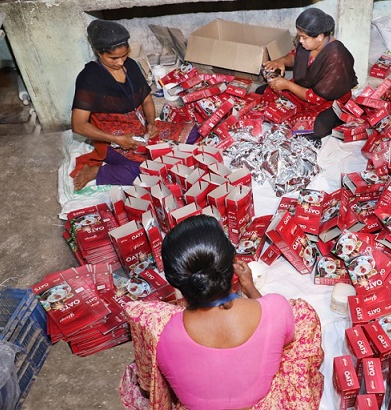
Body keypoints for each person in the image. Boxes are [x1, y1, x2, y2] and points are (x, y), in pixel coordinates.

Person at [155, 215, 295, 408]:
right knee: (303, 314)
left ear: (176, 282)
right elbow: (285, 339)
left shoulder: (165, 335)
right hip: (257, 398)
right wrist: (251, 289)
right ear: (232, 264)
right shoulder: (276, 308)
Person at [70, 20, 159, 191]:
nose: (120, 62)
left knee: (187, 141)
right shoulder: (89, 77)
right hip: (111, 139)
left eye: (124, 55)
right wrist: (117, 139)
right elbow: (78, 125)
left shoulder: (131, 65)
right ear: (98, 53)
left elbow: (147, 100)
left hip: (140, 128)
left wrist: (151, 123)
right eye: (113, 58)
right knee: (144, 172)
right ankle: (97, 171)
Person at [260, 8, 358, 144]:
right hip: (303, 87)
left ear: (319, 36)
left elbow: (317, 98)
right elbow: (295, 56)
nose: (300, 41)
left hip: (327, 99)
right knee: (262, 91)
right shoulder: (309, 44)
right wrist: (281, 61)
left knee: (318, 127)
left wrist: (287, 85)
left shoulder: (337, 57)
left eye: (304, 37)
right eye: (300, 36)